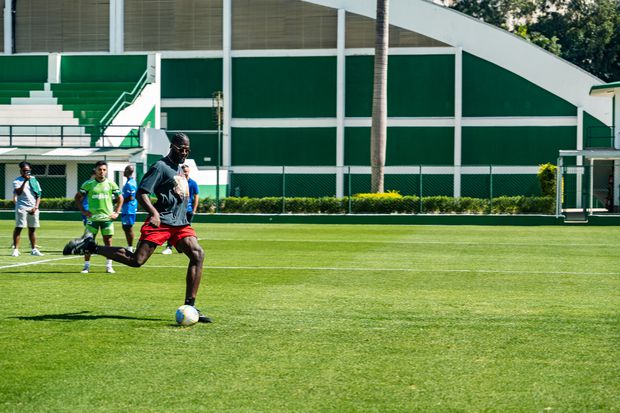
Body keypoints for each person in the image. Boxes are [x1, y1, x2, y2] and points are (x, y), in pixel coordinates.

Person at [63, 133, 211, 323]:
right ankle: (92, 246)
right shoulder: (160, 166)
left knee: (198, 254)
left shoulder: (180, 169)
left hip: (180, 224)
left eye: (187, 150)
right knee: (136, 260)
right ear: (172, 147)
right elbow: (142, 193)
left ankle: (190, 306)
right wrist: (154, 213)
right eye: (181, 149)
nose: (184, 153)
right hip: (161, 221)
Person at [75, 160, 123, 274]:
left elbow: (120, 198)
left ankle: (109, 266)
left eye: (104, 170)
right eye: (100, 169)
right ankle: (86, 266)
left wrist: (117, 212)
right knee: (88, 242)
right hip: (92, 219)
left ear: (106, 171)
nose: (102, 172)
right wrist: (83, 211)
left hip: (107, 219)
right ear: (95, 170)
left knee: (108, 243)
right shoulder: (88, 184)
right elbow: (77, 197)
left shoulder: (111, 184)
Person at [162, 164, 199, 255]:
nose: (186, 173)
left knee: (185, 231)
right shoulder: (176, 182)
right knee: (173, 228)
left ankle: (181, 248)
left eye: (187, 171)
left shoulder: (193, 183)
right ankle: (169, 247)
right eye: (184, 172)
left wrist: (194, 210)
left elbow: (196, 197)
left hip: (188, 210)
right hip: (177, 210)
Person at [12, 161, 44, 257]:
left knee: (32, 229)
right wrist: (25, 181)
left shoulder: (34, 180)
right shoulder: (17, 181)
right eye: (24, 170)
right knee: (19, 227)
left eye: (28, 170)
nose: (26, 172)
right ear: (21, 170)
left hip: (33, 207)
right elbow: (18, 192)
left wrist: (36, 207)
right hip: (22, 207)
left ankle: (34, 249)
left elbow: (38, 195)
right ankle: (16, 250)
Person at [121, 165, 138, 253]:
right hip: (127, 208)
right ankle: (130, 246)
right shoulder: (129, 182)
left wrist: (118, 201)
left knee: (128, 227)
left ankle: (130, 248)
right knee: (126, 227)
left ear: (128, 171)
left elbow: (131, 197)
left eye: (125, 170)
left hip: (129, 209)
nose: (123, 171)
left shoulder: (130, 183)